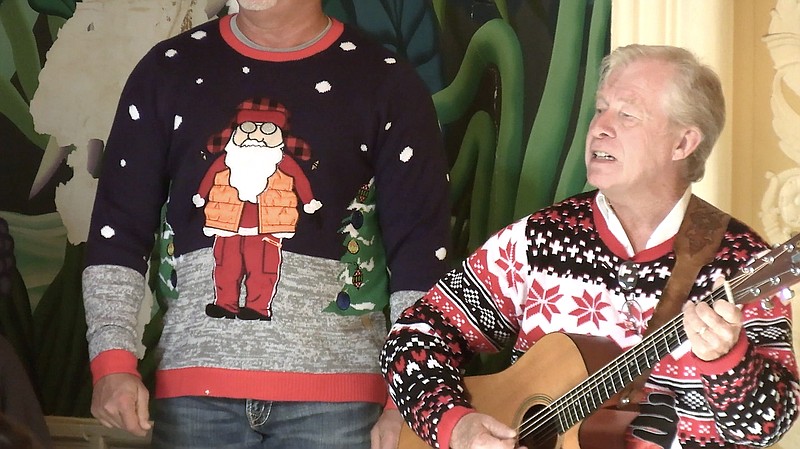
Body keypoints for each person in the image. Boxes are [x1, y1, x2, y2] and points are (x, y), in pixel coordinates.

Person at [380, 44, 799, 449]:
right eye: (601, 108)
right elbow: (414, 336)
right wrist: (456, 424)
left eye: (628, 114)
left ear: (683, 143)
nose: (600, 126)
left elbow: (769, 426)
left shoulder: (745, 261)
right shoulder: (541, 239)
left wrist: (728, 362)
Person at [82, 1, 451, 448]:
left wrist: (411, 398)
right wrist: (113, 362)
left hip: (339, 407)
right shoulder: (168, 70)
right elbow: (117, 229)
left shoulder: (388, 81)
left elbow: (421, 256)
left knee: (262, 268)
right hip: (192, 399)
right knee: (229, 266)